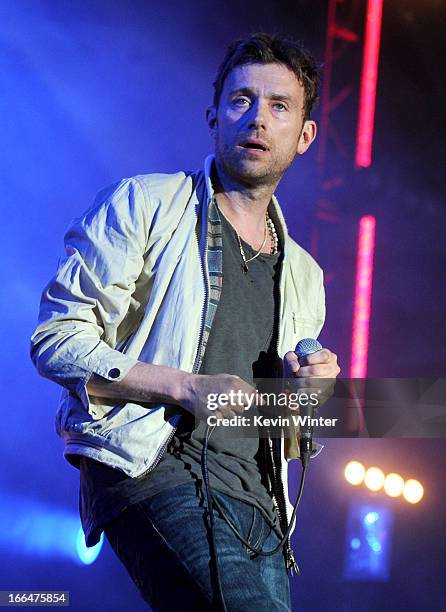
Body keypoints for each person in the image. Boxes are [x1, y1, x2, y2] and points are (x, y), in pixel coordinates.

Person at [31, 32, 340, 611]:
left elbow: (289, 426)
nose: (258, 118)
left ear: (304, 136)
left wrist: (309, 397)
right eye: (242, 100)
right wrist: (187, 387)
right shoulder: (143, 203)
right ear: (214, 116)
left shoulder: (306, 275)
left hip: (262, 506)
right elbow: (57, 340)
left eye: (279, 106)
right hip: (155, 469)